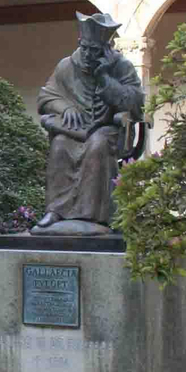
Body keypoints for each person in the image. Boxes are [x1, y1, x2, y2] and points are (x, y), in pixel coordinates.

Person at [32, 12, 145, 235]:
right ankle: (56, 211)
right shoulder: (66, 66)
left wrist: (104, 77)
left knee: (97, 145)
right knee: (60, 145)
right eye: (85, 48)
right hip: (74, 130)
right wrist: (65, 107)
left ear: (105, 49)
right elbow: (46, 97)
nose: (88, 55)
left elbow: (134, 102)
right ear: (79, 43)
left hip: (110, 129)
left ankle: (94, 216)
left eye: (94, 51)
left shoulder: (121, 67)